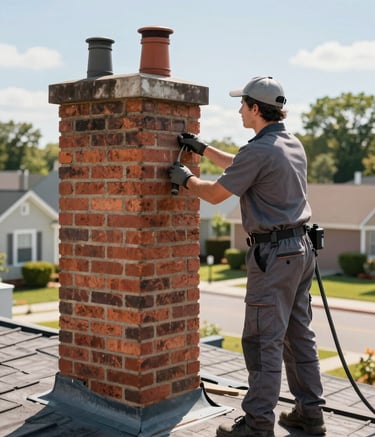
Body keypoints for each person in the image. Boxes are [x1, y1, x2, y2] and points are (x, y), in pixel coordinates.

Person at [169, 76, 326, 437]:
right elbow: (243, 162)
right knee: (298, 335)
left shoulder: (260, 151)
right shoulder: (289, 143)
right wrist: (203, 148)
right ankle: (310, 414)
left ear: (256, 109)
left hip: (274, 256)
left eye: (243, 104)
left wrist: (186, 178)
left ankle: (257, 425)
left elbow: (214, 194)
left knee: (262, 339)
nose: (239, 109)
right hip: (301, 252)